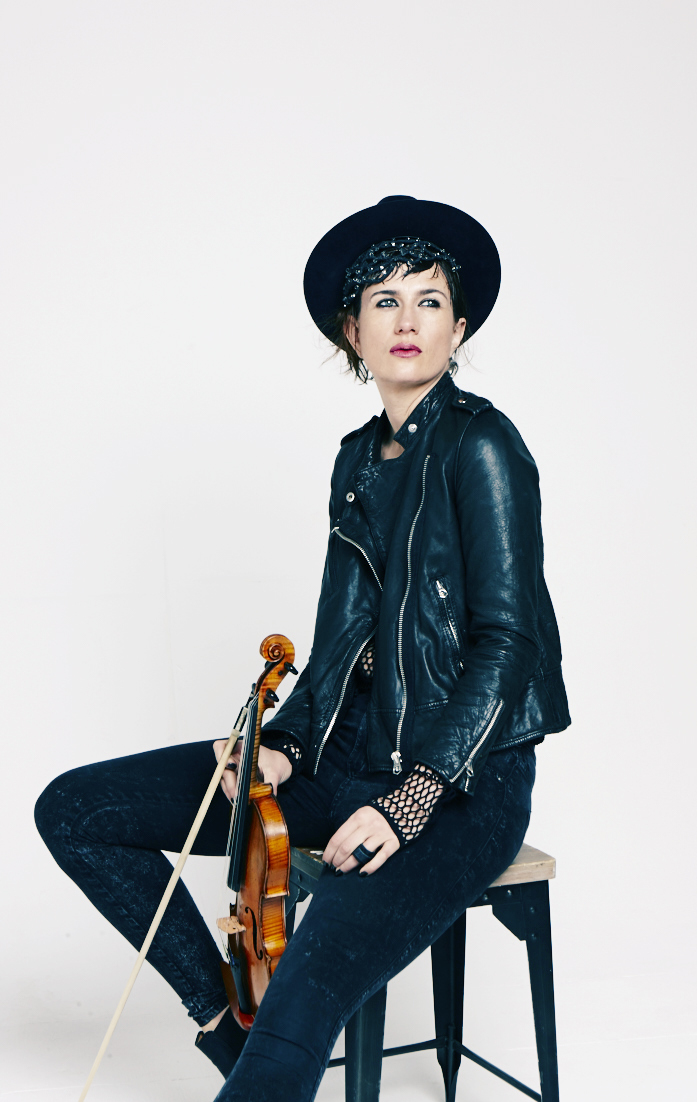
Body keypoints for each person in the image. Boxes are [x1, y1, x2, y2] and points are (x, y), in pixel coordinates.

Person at [35, 195, 570, 1101]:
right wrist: (281, 743)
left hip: (461, 787)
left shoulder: (482, 446)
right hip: (344, 760)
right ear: (351, 331)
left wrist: (410, 800)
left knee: (305, 1000)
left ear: (459, 327)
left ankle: (263, 1065)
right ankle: (224, 1027)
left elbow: (508, 645)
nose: (407, 320)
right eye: (384, 301)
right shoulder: (357, 459)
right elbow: (339, 642)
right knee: (78, 810)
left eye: (429, 301)